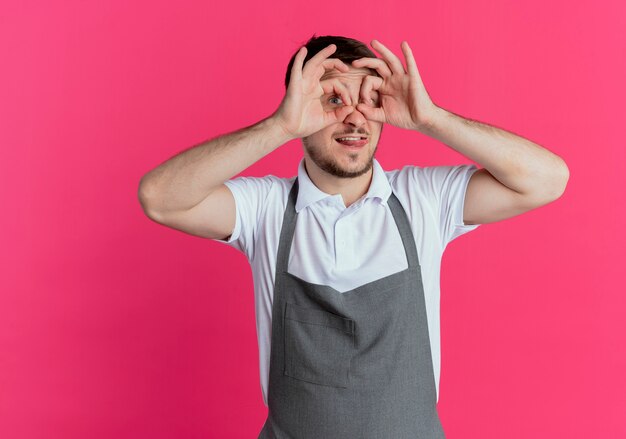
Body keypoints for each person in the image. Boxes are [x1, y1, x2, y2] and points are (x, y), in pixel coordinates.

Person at [138, 35, 569, 438]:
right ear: (298, 107)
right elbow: (159, 198)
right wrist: (278, 127)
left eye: (369, 99)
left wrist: (430, 117)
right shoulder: (264, 209)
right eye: (332, 100)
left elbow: (546, 180)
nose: (355, 117)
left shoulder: (424, 199)